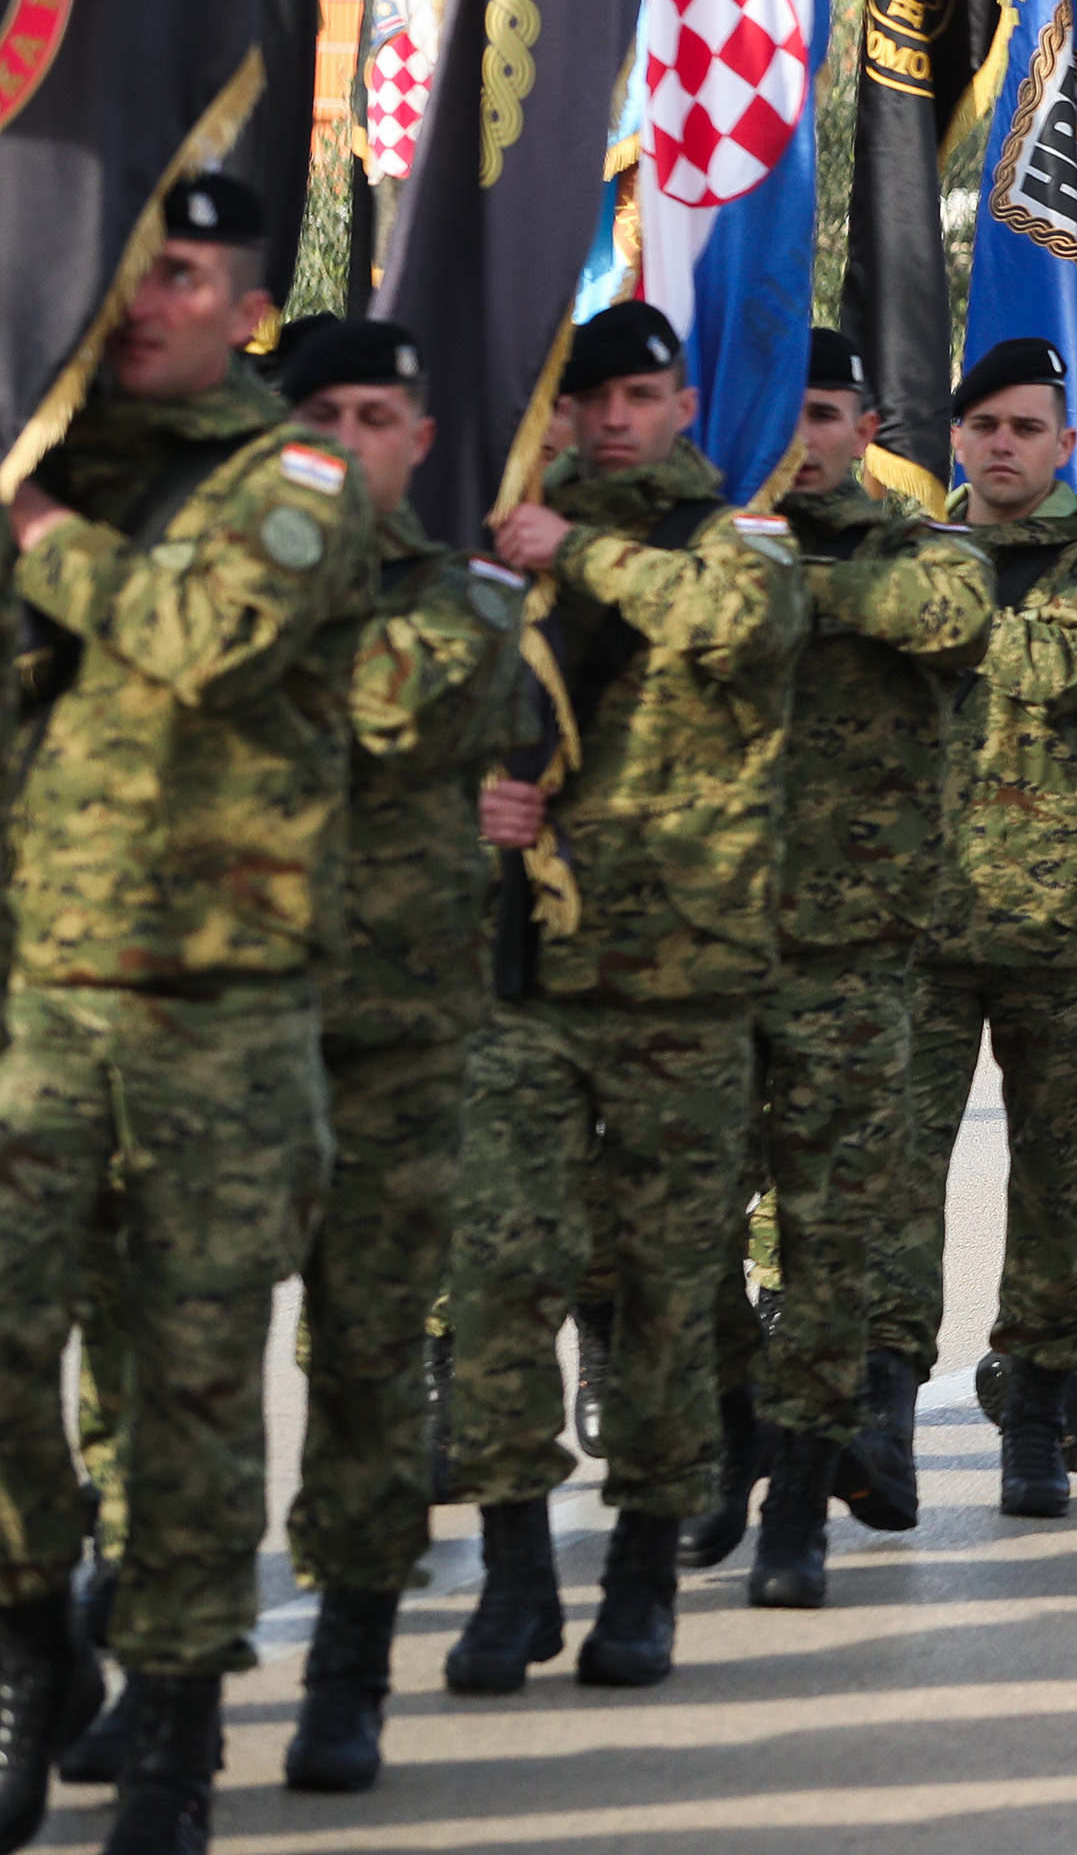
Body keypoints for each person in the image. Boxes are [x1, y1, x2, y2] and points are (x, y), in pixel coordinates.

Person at [0, 181, 380, 1836]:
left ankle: (173, 1717)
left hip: (221, 1015)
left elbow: (210, 638)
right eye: (128, 271)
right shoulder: (52, 454)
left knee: (192, 1379)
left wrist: (32, 522)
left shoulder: (293, 478)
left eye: (180, 274)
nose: (143, 301)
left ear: (241, 307)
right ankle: (33, 1620)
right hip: (40, 1001)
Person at [453, 299, 804, 1698]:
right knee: (502, 1275)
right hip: (527, 975)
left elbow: (742, 624)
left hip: (680, 984)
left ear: (681, 405)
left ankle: (645, 1568)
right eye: (587, 397)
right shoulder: (494, 543)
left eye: (638, 395)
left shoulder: (737, 535)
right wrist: (471, 800)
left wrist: (580, 549)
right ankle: (514, 1567)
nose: (611, 420)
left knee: (666, 1286)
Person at [261, 316, 529, 1791]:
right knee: (169, 1360)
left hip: (394, 1041)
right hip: (224, 1025)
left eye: (378, 417)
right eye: (321, 418)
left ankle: (348, 1661)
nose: (350, 443)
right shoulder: (199, 580)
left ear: (420, 441)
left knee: (367, 1360)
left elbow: (379, 702)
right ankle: (158, 1649)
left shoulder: (465, 600)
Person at [705, 333, 991, 1606]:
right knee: (675, 1234)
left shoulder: (924, 550)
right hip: (706, 950)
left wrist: (781, 579)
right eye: (777, 410)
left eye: (822, 412)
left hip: (853, 959)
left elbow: (950, 619)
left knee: (828, 1244)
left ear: (866, 428)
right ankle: (733, 1423)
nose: (799, 435)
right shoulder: (700, 548)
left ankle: (797, 1507)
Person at [871, 337, 1077, 1524]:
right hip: (921, 929)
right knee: (895, 1181)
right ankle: (882, 1404)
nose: (1003, 446)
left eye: (1027, 428)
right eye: (984, 426)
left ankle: (1035, 1411)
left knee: (1055, 1188)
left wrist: (913, 593)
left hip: (1060, 934)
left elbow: (1057, 663)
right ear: (955, 438)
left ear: (1066, 444)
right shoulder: (910, 558)